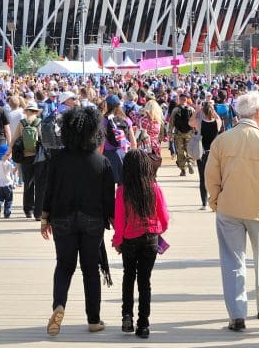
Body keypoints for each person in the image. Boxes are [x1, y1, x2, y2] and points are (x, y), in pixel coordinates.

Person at [205, 90, 259, 332]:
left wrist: (215, 201)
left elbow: (211, 176)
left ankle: (236, 314)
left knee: (232, 260)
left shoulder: (222, 140)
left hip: (229, 208)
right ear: (258, 113)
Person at [41, 106, 116, 336]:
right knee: (91, 270)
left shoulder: (57, 159)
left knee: (64, 267)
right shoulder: (101, 161)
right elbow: (108, 198)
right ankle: (94, 319)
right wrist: (114, 224)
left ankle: (59, 305)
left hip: (62, 217)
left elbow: (48, 191)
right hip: (92, 219)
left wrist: (45, 218)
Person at [112, 149, 169, 338]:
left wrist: (117, 241)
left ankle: (126, 315)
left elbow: (119, 220)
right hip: (150, 238)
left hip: (129, 239)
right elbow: (165, 218)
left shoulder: (122, 190)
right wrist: (157, 230)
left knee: (129, 277)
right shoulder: (154, 188)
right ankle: (143, 324)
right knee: (145, 282)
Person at [191, 98, 221, 210]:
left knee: (203, 178)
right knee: (216, 178)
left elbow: (190, 122)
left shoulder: (199, 123)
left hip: (202, 152)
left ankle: (204, 203)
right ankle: (216, 201)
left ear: (203, 111)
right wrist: (213, 111)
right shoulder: (217, 122)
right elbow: (218, 118)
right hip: (214, 153)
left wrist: (197, 110)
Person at [169, 93, 195, 176]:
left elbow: (171, 122)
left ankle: (182, 169)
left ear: (179, 100)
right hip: (189, 133)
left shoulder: (175, 110)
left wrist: (170, 133)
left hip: (178, 133)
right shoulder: (191, 109)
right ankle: (190, 161)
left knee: (180, 152)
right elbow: (195, 122)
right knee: (189, 150)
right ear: (186, 99)